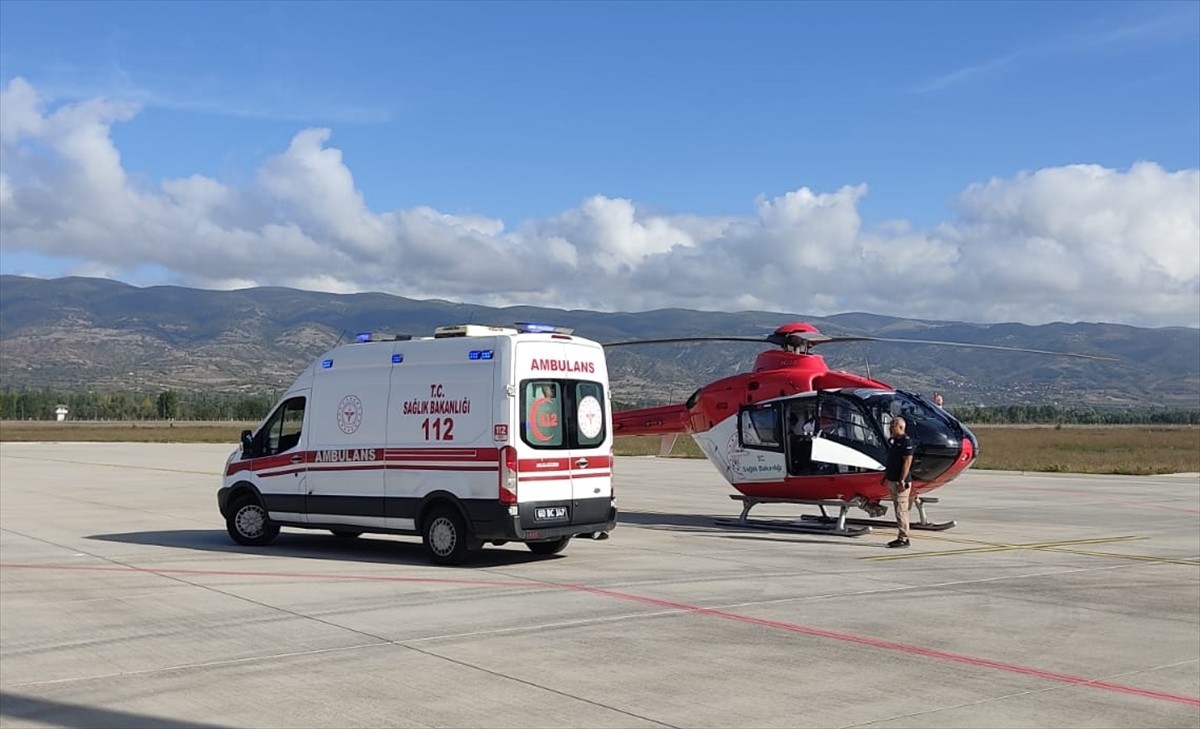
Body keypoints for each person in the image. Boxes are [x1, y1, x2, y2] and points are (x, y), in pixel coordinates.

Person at [883, 416, 916, 548]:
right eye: (891, 426)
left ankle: (904, 538)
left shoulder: (906, 442)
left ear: (901, 427)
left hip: (900, 482)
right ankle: (902, 536)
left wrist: (902, 479)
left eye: (893, 427)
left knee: (901, 510)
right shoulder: (894, 441)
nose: (891, 429)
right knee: (898, 509)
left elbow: (907, 462)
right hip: (892, 479)